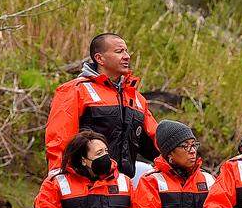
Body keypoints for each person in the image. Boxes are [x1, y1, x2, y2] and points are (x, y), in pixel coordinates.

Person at [44, 33, 159, 178]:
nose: (127, 56)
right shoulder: (75, 90)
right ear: (99, 58)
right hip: (86, 185)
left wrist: (184, 160)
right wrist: (58, 176)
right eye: (119, 51)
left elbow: (158, 138)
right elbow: (59, 139)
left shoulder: (136, 98)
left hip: (123, 187)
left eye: (126, 51)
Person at [34, 130, 133, 208]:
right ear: (83, 160)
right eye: (99, 153)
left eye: (106, 151)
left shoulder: (125, 182)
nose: (105, 157)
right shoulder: (55, 184)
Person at [130, 120, 214, 208]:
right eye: (185, 146)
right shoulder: (151, 182)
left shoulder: (208, 180)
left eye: (193, 145)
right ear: (169, 154)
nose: (192, 150)